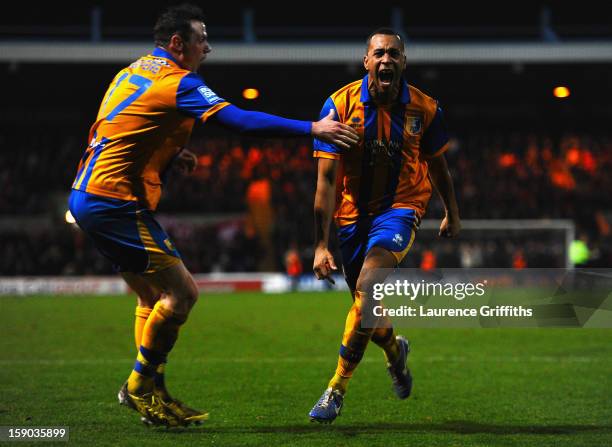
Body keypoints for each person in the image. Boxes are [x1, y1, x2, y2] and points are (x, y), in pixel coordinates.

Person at [68, 3, 358, 428]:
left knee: (151, 298)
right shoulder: (177, 81)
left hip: (89, 193)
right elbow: (239, 121)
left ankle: (154, 391)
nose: (209, 47)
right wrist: (312, 129)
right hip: (114, 201)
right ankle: (136, 386)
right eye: (202, 38)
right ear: (177, 44)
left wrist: (168, 151)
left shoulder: (132, 71)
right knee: (183, 294)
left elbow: (111, 126)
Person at [308, 28, 461, 423]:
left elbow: (438, 166)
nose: (386, 60)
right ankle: (395, 351)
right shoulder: (339, 106)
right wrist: (321, 245)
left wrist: (451, 211)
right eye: (379, 54)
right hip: (351, 216)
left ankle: (335, 389)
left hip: (401, 209)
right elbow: (325, 182)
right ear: (366, 61)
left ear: (404, 62)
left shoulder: (424, 109)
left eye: (394, 53)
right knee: (366, 310)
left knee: (368, 287)